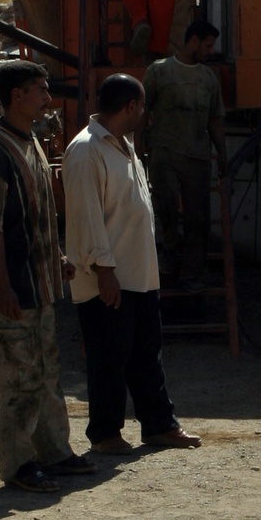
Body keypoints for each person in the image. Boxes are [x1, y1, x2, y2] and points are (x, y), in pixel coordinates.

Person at [61, 72, 201, 454]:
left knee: (145, 355)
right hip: (107, 279)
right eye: (141, 107)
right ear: (131, 107)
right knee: (109, 358)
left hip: (138, 274)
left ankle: (159, 425)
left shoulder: (122, 144)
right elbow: (88, 218)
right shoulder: (86, 150)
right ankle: (105, 435)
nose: (144, 114)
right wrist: (105, 272)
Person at [0, 60, 94, 492]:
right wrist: (3, 286)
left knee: (46, 372)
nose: (47, 98)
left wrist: (58, 257)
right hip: (16, 291)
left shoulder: (32, 144)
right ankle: (20, 465)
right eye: (39, 90)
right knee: (19, 379)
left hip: (41, 286)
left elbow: (37, 217)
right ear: (16, 96)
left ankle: (55, 453)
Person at [140, 19, 227, 291]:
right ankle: (168, 254)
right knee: (164, 205)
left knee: (197, 217)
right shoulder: (159, 72)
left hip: (197, 157)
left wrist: (222, 154)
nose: (211, 51)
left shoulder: (208, 78)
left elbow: (214, 119)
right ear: (193, 42)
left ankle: (192, 274)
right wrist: (138, 148)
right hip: (164, 151)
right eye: (208, 45)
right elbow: (142, 112)